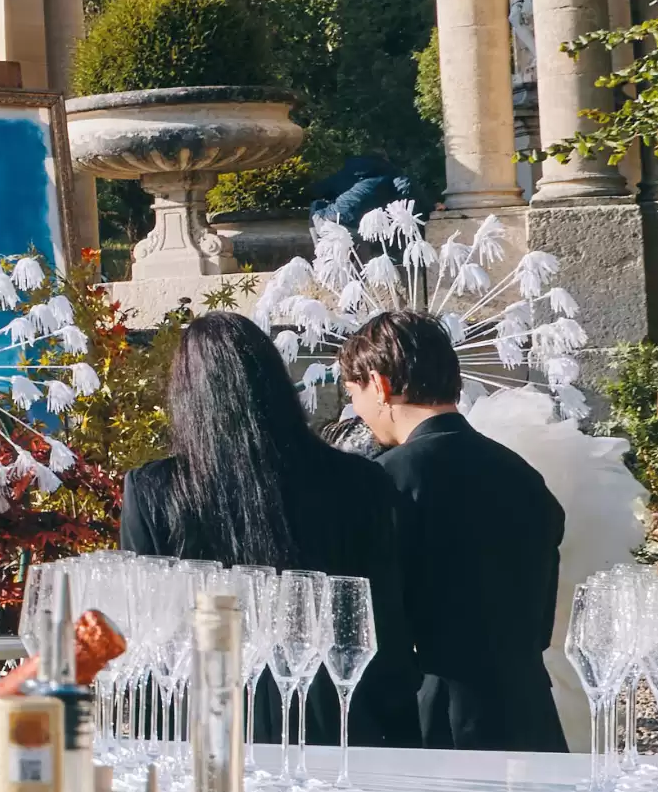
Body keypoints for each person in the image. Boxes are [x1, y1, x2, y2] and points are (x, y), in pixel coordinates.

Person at [117, 312, 418, 744]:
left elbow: (149, 632)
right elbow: (382, 621)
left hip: (210, 724)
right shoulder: (360, 481)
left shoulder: (153, 491)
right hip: (339, 721)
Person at [347, 309, 572, 752]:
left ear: (379, 384)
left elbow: (375, 622)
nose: (356, 411)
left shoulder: (384, 480)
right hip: (529, 713)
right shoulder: (522, 475)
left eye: (352, 391)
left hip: (433, 720)